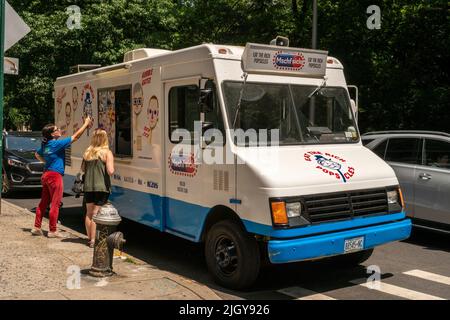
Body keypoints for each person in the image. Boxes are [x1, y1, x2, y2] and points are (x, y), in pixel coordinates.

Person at [32, 116, 92, 238]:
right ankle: (53, 230)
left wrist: (46, 162)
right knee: (55, 203)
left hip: (46, 174)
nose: (59, 130)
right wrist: (86, 124)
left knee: (43, 203)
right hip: (55, 176)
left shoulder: (46, 145)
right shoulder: (56, 144)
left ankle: (36, 227)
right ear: (53, 134)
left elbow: (36, 154)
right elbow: (76, 137)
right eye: (57, 129)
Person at [82, 128, 114, 247]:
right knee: (96, 214)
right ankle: (94, 241)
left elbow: (83, 169)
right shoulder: (107, 153)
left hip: (88, 186)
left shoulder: (87, 152)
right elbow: (110, 171)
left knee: (89, 213)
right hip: (101, 187)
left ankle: (89, 238)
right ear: (105, 138)